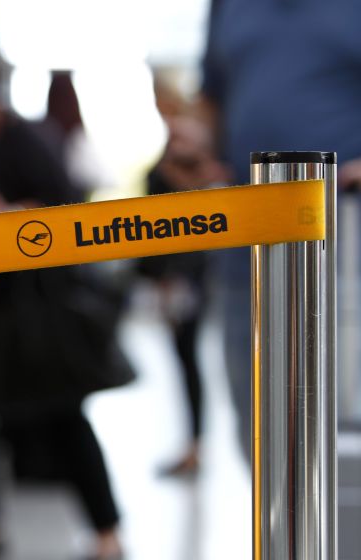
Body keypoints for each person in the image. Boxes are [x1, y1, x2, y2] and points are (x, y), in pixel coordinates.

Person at [0, 40, 122, 559]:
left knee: (61, 413)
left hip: (26, 308)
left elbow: (64, 210)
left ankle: (107, 533)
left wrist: (8, 214)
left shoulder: (24, 140)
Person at [198, 0, 361, 459]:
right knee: (262, 434)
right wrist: (197, 145)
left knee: (338, 440)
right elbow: (212, 100)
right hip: (246, 246)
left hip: (346, 245)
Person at [139, 77, 230, 475]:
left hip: (190, 268)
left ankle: (196, 445)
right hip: (176, 268)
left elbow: (202, 194)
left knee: (189, 357)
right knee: (184, 357)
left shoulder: (192, 142)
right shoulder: (176, 145)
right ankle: (193, 443)